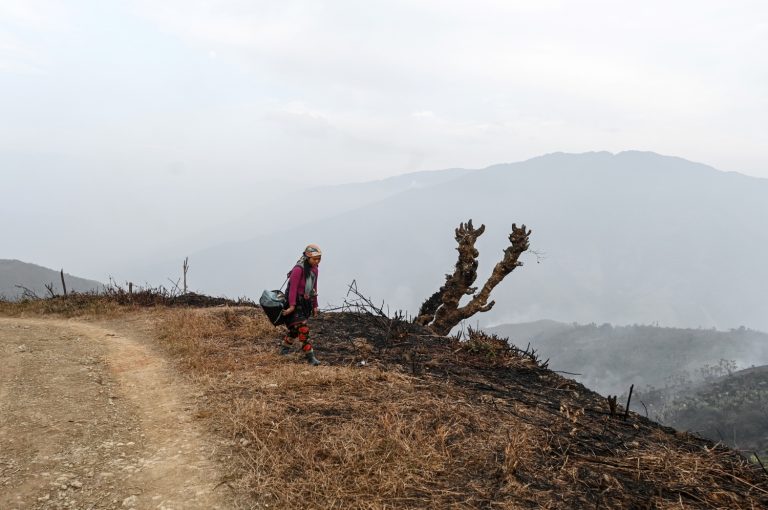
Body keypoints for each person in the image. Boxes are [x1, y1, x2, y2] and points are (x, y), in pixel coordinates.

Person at [280, 244, 322, 365]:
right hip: (294, 302)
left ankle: (284, 349)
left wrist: (315, 305)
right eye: (315, 259)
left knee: (294, 330)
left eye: (319, 258)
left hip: (305, 303)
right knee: (303, 329)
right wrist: (291, 307)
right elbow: (292, 289)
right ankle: (310, 357)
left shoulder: (315, 270)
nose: (317, 261)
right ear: (308, 257)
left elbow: (314, 288)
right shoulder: (298, 269)